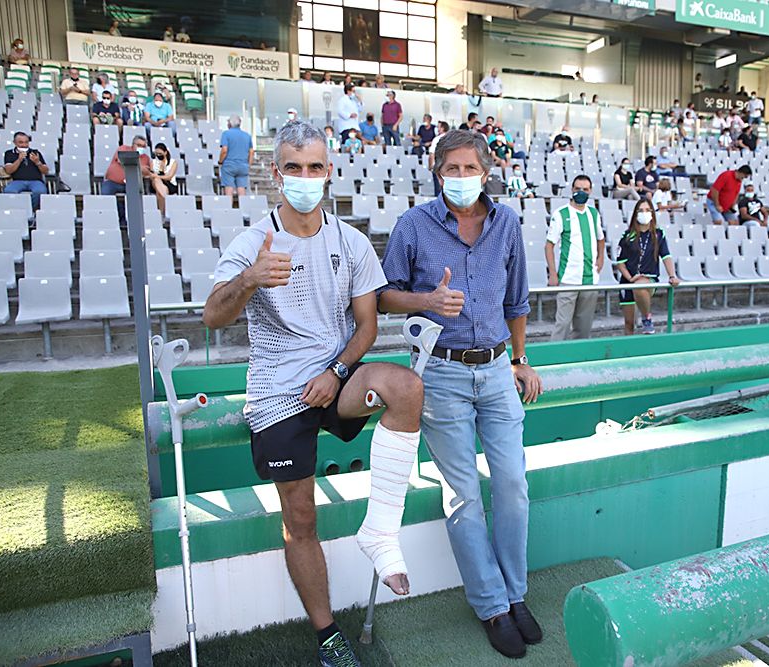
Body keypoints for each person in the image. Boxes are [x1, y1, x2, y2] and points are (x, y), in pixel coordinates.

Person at [204, 121, 425, 667]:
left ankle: (380, 529)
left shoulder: (349, 240)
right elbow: (213, 316)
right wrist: (251, 278)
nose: (305, 178)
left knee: (406, 386)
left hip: (336, 377)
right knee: (300, 518)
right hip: (279, 392)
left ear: (329, 171)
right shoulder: (252, 242)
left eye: (315, 167)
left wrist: (338, 369)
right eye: (294, 168)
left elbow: (367, 328)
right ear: (277, 174)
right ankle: (327, 634)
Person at [378, 129, 543, 659]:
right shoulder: (413, 224)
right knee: (464, 496)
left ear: (487, 172)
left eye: (470, 168)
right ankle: (492, 605)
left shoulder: (507, 223)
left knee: (513, 485)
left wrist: (519, 360)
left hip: (496, 369)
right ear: (436, 170)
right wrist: (427, 299)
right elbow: (384, 297)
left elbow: (517, 299)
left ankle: (516, 594)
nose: (462, 178)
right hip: (442, 374)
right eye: (452, 169)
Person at [545, 175, 604, 341]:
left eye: (585, 189)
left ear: (590, 191)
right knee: (562, 324)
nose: (581, 192)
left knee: (584, 326)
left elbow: (600, 238)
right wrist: (553, 274)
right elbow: (549, 245)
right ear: (572, 190)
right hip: (569, 279)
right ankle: (555, 358)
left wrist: (601, 259)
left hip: (590, 279)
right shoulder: (561, 214)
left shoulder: (593, 213)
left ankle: (578, 359)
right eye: (578, 189)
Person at [614, 200, 679, 335]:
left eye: (648, 210)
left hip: (648, 280)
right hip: (628, 281)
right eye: (641, 210)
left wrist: (672, 275)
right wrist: (630, 278)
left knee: (640, 285)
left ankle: (646, 318)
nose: (644, 213)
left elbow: (666, 256)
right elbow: (620, 262)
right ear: (635, 214)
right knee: (629, 323)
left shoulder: (658, 234)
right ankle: (629, 352)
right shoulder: (627, 236)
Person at [100, 135, 152, 221]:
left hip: (130, 184)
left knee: (135, 198)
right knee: (106, 197)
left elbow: (147, 172)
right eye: (139, 145)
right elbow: (122, 159)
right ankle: (106, 220)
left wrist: (139, 167)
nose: (141, 148)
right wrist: (139, 166)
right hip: (112, 182)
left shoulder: (145, 158)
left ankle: (130, 221)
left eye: (143, 146)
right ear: (133, 144)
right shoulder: (123, 148)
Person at [3, 132, 49, 210]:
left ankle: (31, 210)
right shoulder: (9, 153)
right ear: (14, 142)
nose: (24, 145)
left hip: (35, 181)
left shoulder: (35, 153)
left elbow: (46, 171)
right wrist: (19, 159)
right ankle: (18, 210)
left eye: (26, 142)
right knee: (9, 191)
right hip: (17, 181)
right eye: (21, 142)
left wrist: (37, 162)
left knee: (40, 191)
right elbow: (9, 171)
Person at [219, 115, 254, 198]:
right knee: (241, 189)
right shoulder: (247, 135)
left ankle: (229, 209)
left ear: (230, 124)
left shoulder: (226, 134)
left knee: (229, 189)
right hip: (243, 165)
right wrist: (249, 164)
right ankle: (243, 208)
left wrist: (220, 161)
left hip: (229, 164)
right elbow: (251, 152)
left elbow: (224, 150)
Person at [150, 143, 179, 216]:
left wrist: (158, 176)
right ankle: (164, 212)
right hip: (156, 183)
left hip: (169, 184)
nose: (158, 155)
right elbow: (151, 175)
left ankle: (161, 214)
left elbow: (169, 177)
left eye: (160, 153)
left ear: (165, 152)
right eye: (156, 154)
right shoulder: (153, 162)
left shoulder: (173, 162)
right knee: (157, 181)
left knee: (159, 192)